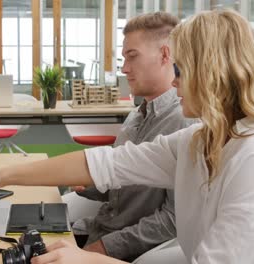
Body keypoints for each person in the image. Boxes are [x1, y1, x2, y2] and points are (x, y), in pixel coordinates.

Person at [0, 9, 254, 263]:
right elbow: (104, 164)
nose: (174, 81)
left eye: (182, 70)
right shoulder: (200, 141)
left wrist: (87, 258)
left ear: (213, 73)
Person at [66, 11, 196, 261]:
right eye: (123, 58)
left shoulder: (184, 121)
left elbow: (173, 220)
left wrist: (99, 249)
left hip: (126, 252)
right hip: (97, 230)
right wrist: (91, 185)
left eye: (132, 57)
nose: (124, 68)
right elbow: (121, 188)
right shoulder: (136, 116)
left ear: (165, 55)